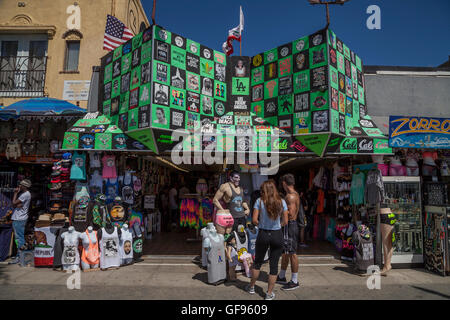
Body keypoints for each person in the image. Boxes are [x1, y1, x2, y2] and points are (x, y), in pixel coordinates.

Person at [245, 180, 288, 300]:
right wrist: (277, 225)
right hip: (277, 234)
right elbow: (285, 221)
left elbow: (254, 220)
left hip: (263, 234)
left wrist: (262, 224)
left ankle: (252, 287)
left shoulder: (259, 201)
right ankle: (269, 294)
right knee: (273, 265)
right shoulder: (282, 202)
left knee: (257, 262)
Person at [277, 174, 300, 290]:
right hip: (290, 226)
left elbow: (290, 213)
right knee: (285, 252)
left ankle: (295, 280)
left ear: (284, 183)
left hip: (290, 225)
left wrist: (280, 211)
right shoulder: (295, 194)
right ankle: (281, 276)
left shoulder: (290, 197)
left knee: (292, 253)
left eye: (282, 183)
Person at [9, 179, 32, 264]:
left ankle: (20, 256)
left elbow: (14, 203)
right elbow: (17, 205)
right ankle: (21, 255)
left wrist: (15, 193)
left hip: (19, 219)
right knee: (19, 238)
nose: (19, 186)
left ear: (24, 186)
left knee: (19, 238)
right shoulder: (26, 194)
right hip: (20, 218)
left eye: (20, 185)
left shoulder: (24, 195)